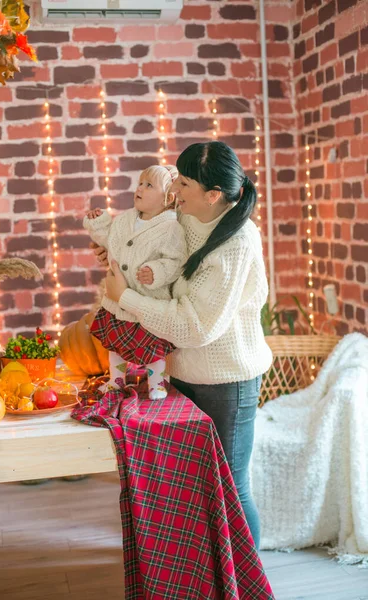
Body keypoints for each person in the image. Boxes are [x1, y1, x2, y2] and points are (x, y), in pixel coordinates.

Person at [95, 141, 272, 550]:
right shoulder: (188, 215)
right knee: (202, 487)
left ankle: (248, 583)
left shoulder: (237, 241)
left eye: (185, 181)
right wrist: (120, 253)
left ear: (213, 194)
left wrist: (127, 298)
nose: (175, 187)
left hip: (227, 381)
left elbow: (196, 326)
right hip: (183, 370)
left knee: (233, 488)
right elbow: (156, 247)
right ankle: (214, 578)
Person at [83, 164, 187, 400]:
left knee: (153, 350)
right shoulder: (125, 220)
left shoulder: (171, 228)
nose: (140, 188)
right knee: (115, 347)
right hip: (116, 304)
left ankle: (157, 383)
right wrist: (98, 223)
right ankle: (116, 380)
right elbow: (110, 240)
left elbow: (175, 261)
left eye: (149, 185)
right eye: (140, 182)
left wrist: (156, 272)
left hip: (145, 300)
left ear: (168, 198)